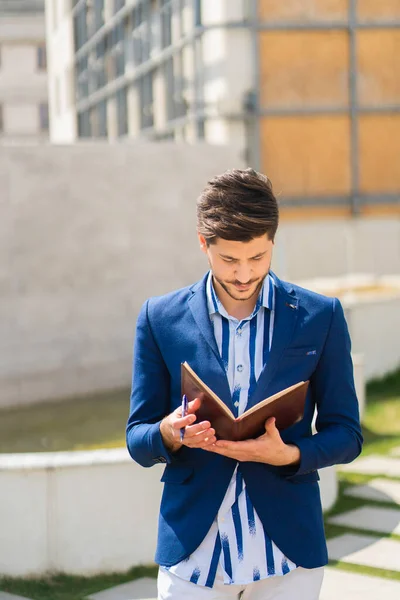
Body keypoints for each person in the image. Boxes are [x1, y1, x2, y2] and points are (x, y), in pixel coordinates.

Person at [126, 168, 363, 600]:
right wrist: (169, 432)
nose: (243, 275)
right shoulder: (159, 318)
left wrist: (289, 453)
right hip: (193, 558)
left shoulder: (321, 317)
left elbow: (347, 434)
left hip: (288, 557)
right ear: (204, 243)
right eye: (229, 260)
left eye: (258, 257)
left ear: (273, 241)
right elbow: (136, 438)